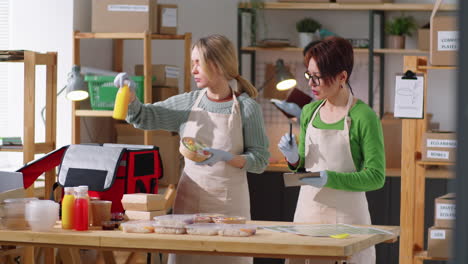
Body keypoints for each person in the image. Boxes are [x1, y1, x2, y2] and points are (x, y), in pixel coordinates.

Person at [114, 34, 269, 264]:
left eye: (198, 63)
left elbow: (260, 159)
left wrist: (226, 157)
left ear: (217, 64)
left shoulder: (247, 108)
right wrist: (131, 96)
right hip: (189, 207)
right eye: (193, 62)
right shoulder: (188, 103)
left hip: (230, 211)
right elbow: (144, 117)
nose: (193, 69)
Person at [278, 36, 385, 264]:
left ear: (342, 77)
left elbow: (376, 177)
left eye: (318, 77)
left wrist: (329, 178)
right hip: (307, 216)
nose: (311, 84)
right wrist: (293, 158)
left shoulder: (363, 117)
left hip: (347, 222)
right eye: (309, 75)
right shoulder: (309, 112)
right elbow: (304, 165)